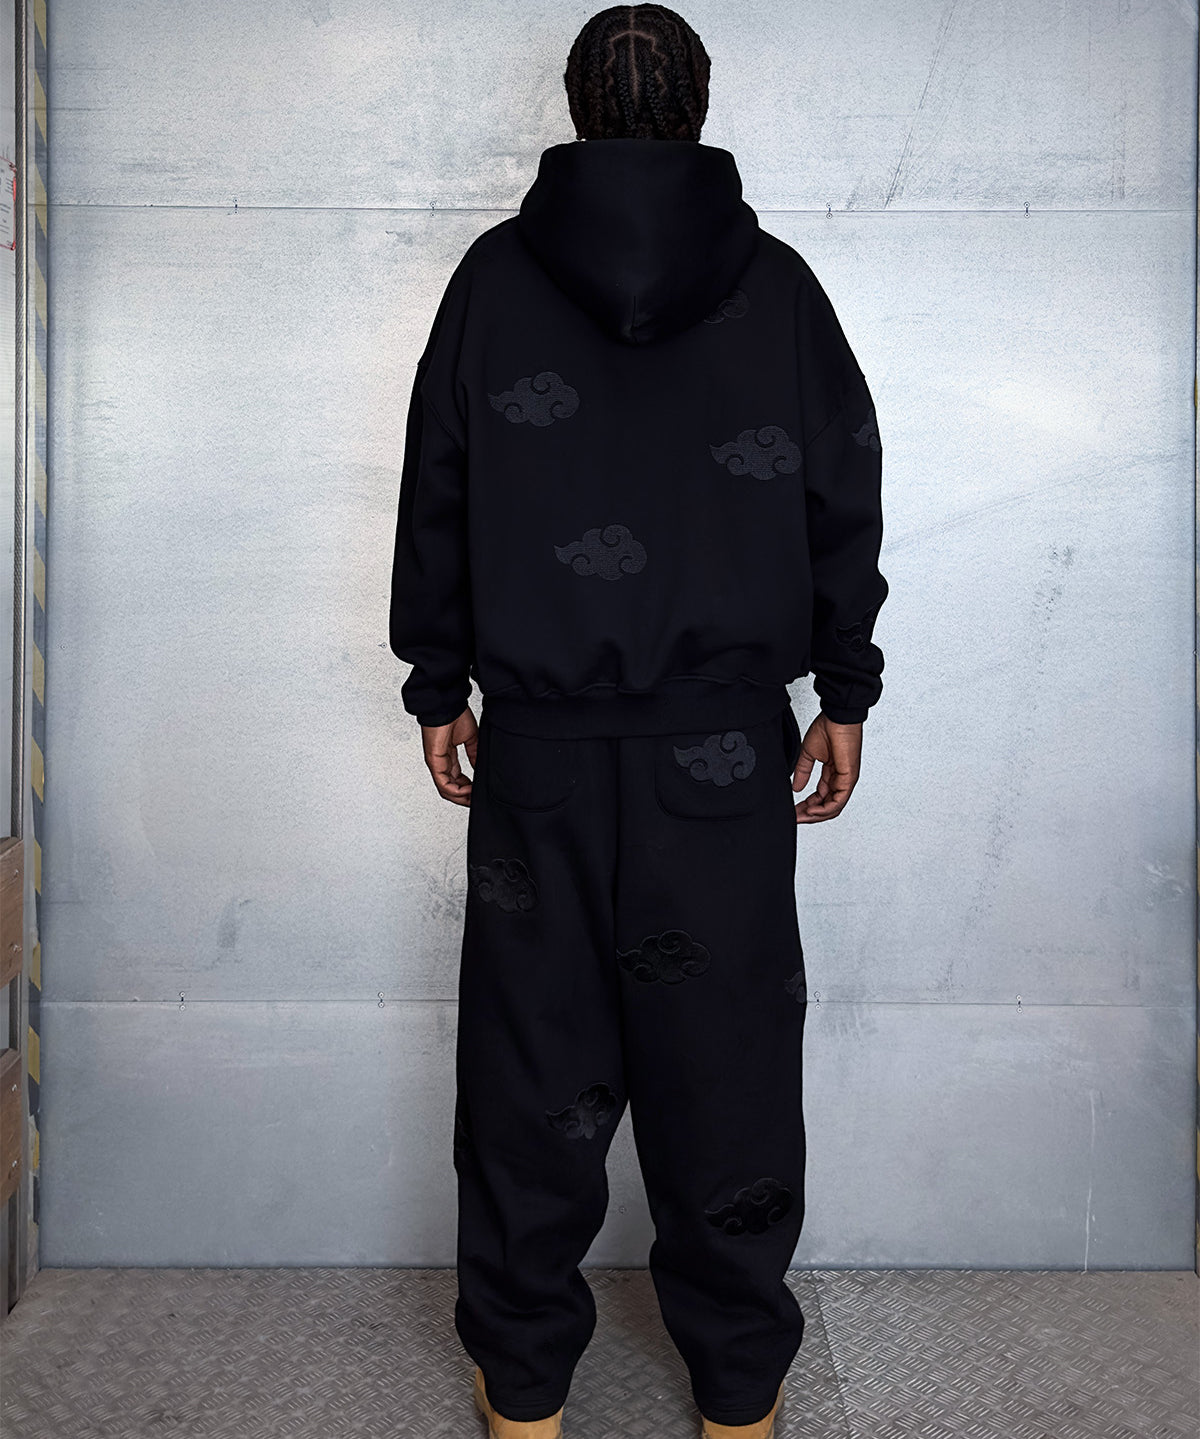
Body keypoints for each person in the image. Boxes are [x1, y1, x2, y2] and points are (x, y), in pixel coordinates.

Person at [388, 7, 888, 1436]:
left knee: (530, 1064)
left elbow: (439, 487)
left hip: (538, 752)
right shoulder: (778, 286)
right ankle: (739, 1395)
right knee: (727, 1062)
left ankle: (524, 1394)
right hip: (721, 755)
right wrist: (842, 688)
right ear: (699, 105)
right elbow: (841, 488)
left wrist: (440, 682)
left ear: (576, 103)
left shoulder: (493, 280)